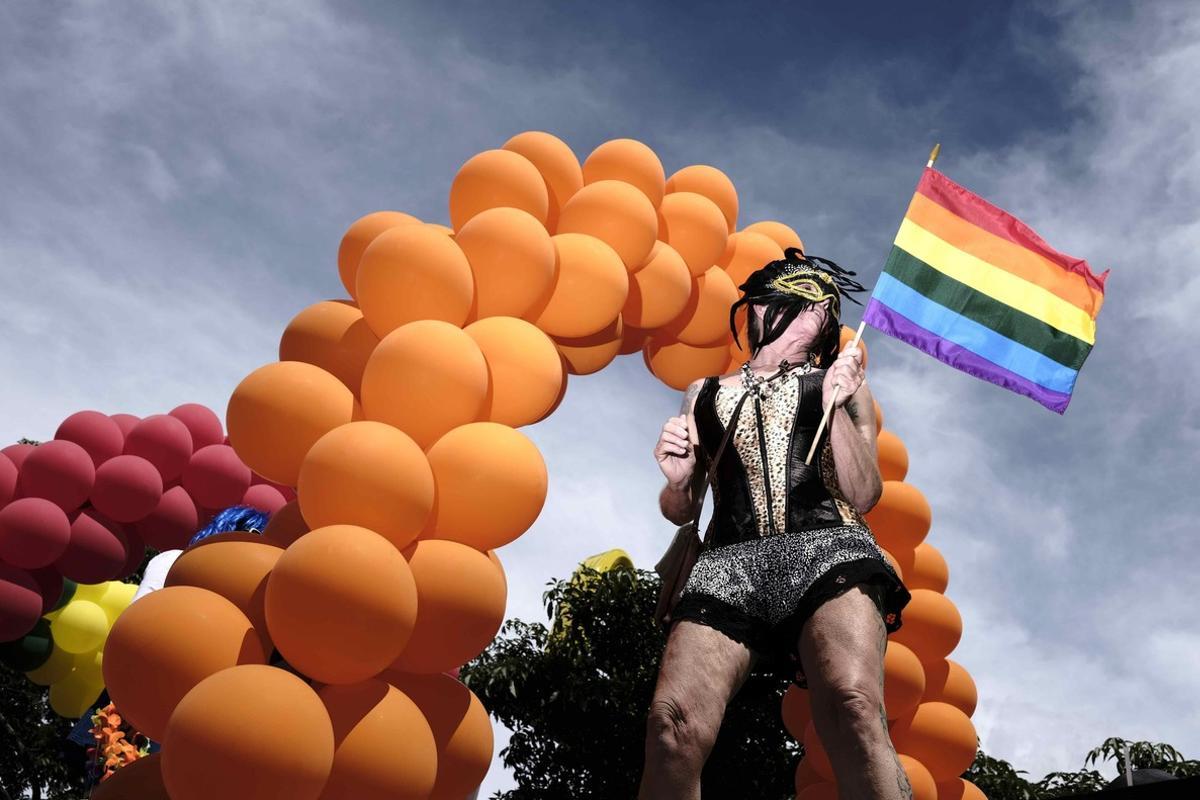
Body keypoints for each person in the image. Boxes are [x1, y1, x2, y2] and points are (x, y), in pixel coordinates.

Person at [640, 248, 914, 800]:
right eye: (786, 299)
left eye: (817, 306)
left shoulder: (842, 382)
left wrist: (835, 405)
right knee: (672, 728)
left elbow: (863, 493)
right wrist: (676, 479)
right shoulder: (704, 391)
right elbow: (683, 510)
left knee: (853, 707)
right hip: (727, 564)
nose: (803, 314)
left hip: (828, 548)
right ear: (756, 308)